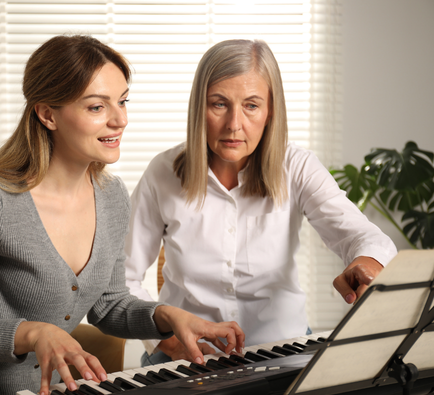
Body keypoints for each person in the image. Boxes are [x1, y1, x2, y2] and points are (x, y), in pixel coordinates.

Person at [0, 35, 245, 395]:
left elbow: (108, 304)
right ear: (47, 114)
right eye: (97, 107)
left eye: (122, 101)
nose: (120, 120)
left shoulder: (112, 197)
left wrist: (167, 317)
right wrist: (33, 333)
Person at [124, 39, 398, 366]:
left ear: (270, 111)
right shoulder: (162, 173)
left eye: (251, 105)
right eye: (219, 104)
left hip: (282, 354)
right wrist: (166, 340)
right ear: (199, 107)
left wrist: (366, 262)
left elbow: (363, 237)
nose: (234, 125)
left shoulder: (297, 166)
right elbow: (121, 278)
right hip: (188, 361)